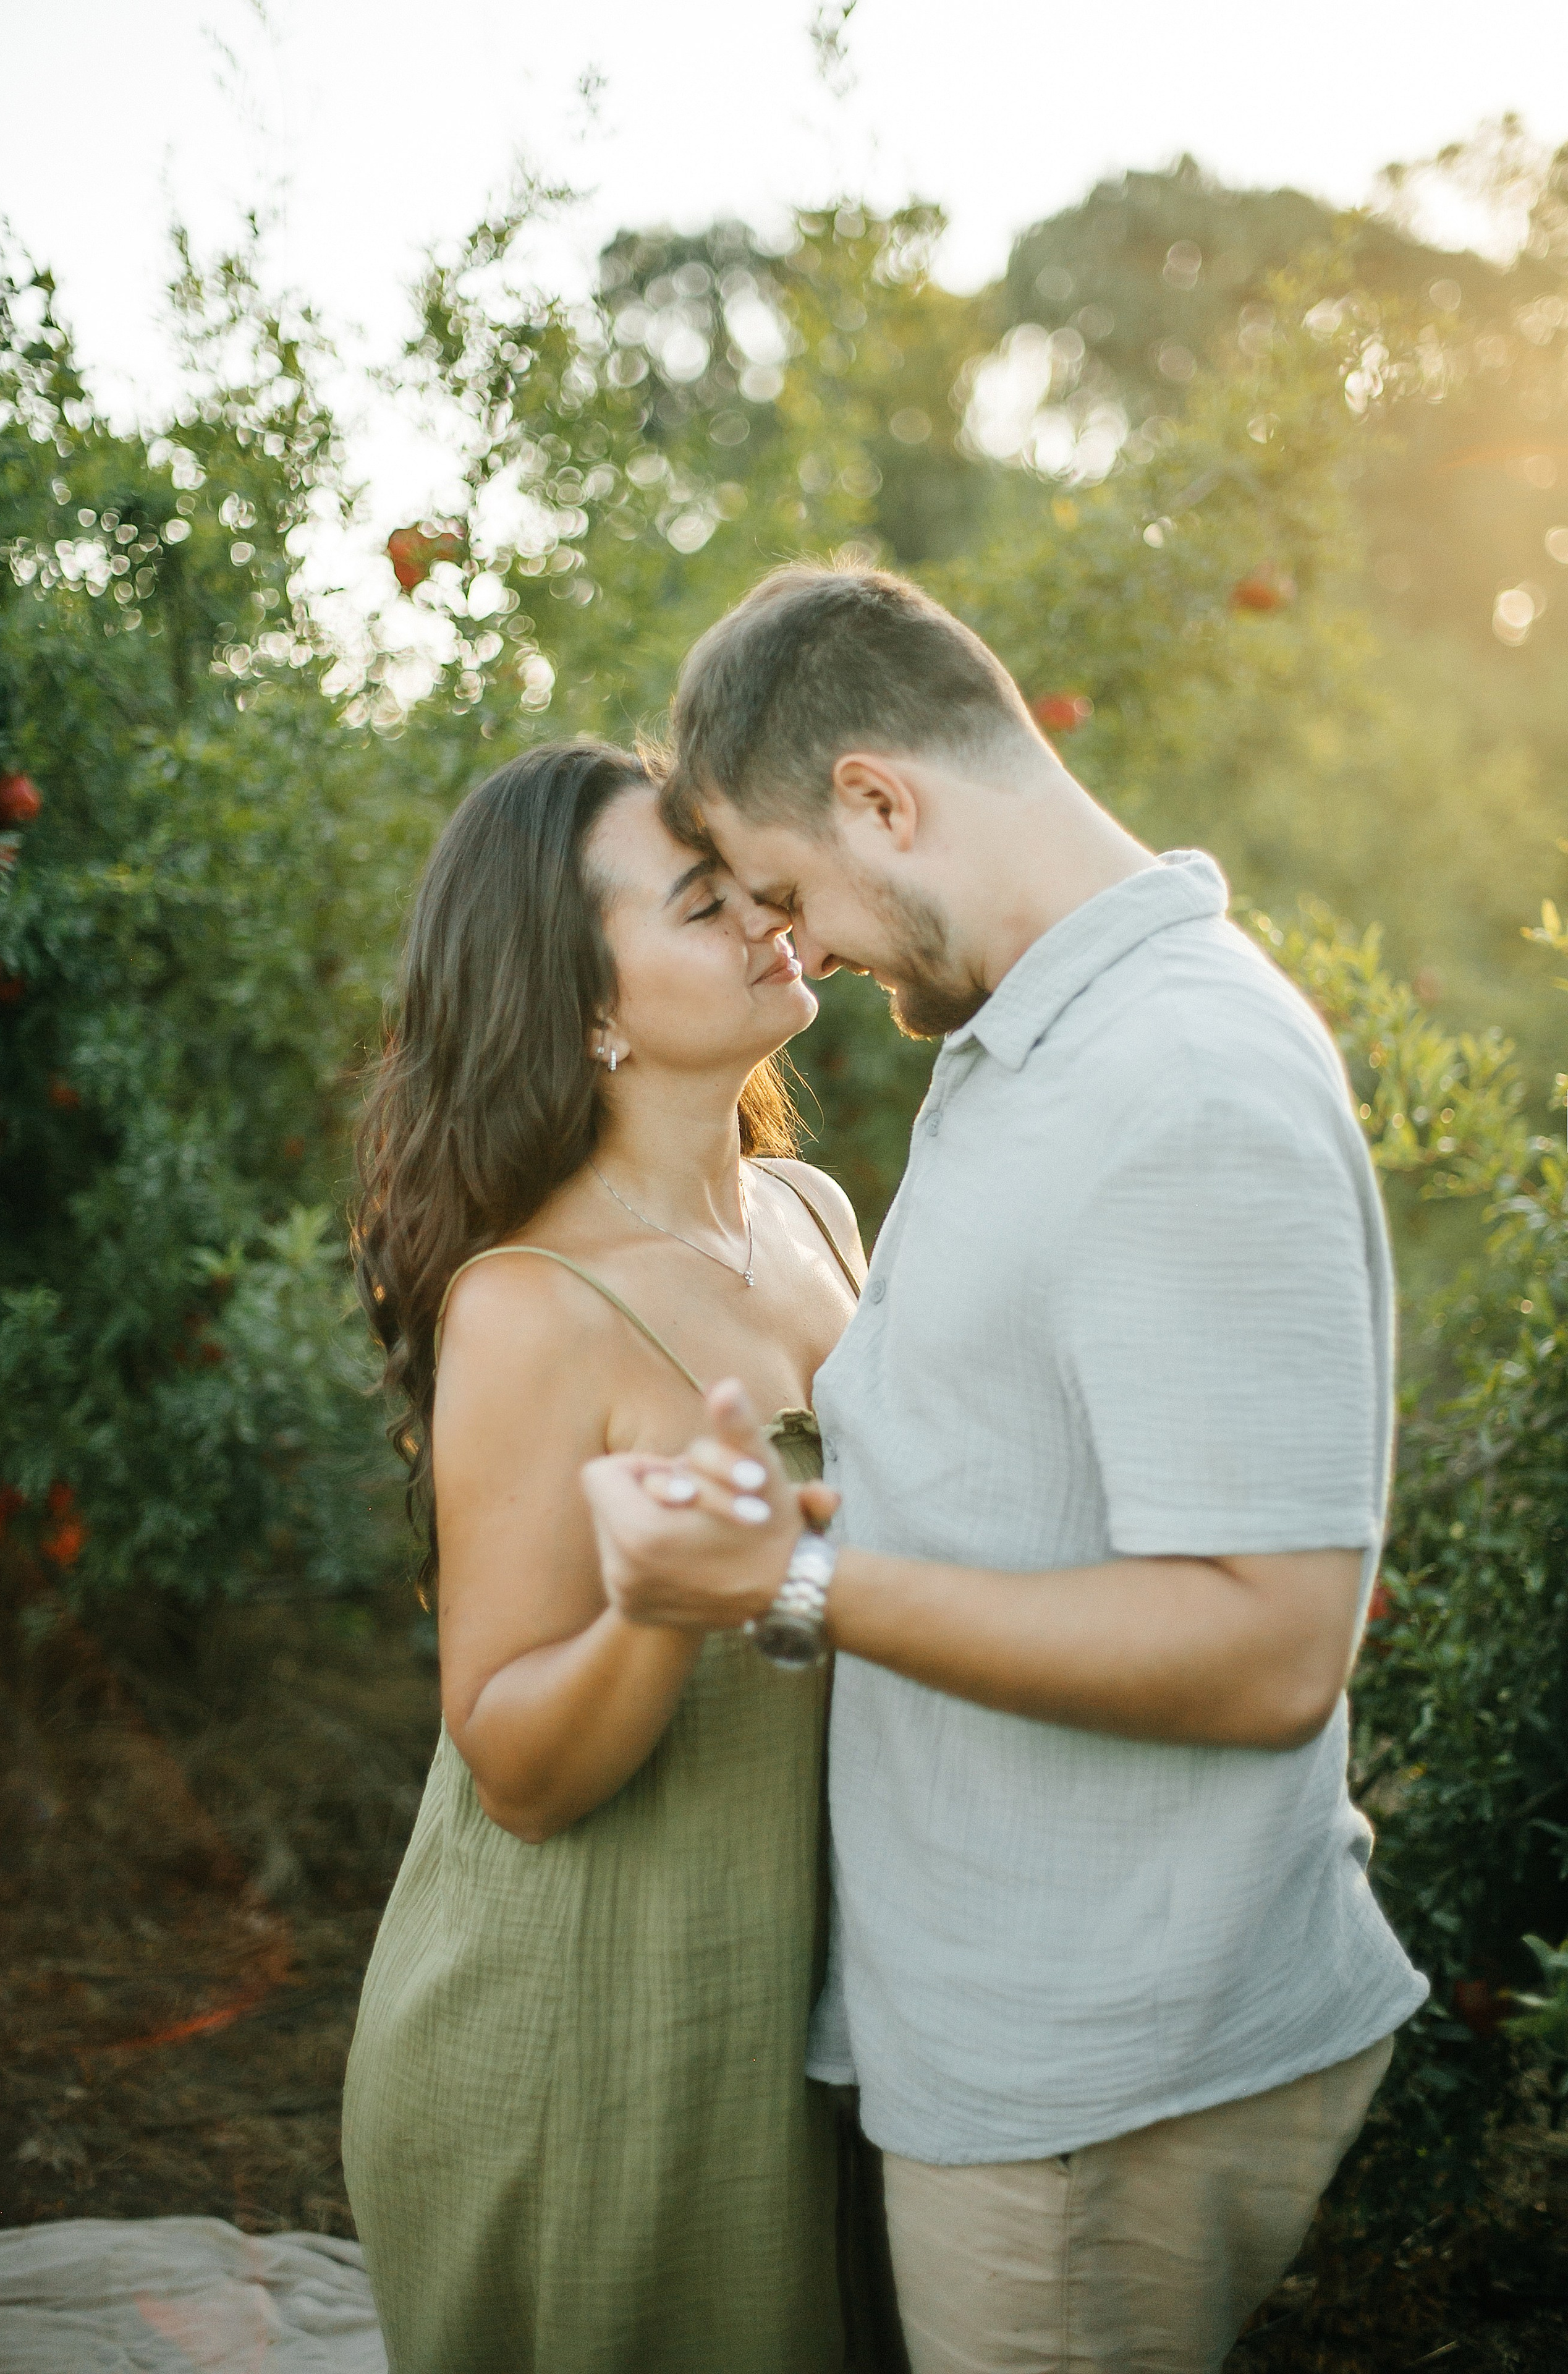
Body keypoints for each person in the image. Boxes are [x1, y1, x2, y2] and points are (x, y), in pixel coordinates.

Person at [580, 567, 1431, 2374]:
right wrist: (789, 1524)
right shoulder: (1034, 1039)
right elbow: (1026, 1492)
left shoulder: (1178, 1078)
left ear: (887, 798)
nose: (808, 950)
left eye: (797, 891)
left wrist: (791, 1588)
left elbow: (1270, 1648)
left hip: (1093, 2077)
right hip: (1016, 2034)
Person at [342, 739, 875, 2374]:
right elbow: (508, 1758)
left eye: (758, 880)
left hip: (800, 2004)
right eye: (705, 899)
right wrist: (656, 1611)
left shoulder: (815, 1212)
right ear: (586, 1007)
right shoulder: (529, 1305)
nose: (769, 911)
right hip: (586, 2036)